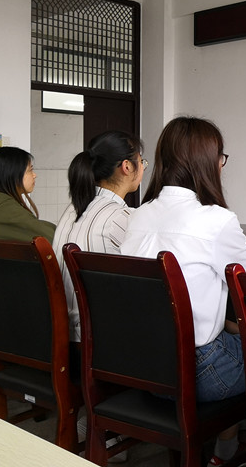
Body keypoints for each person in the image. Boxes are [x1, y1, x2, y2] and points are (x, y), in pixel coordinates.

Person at [121, 116, 246, 467]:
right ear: (208, 162)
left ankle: (225, 447)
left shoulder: (137, 216)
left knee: (230, 331)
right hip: (199, 374)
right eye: (220, 158)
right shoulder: (216, 219)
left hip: (144, 368)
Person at [53, 131, 146, 342]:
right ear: (127, 167)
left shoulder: (72, 209)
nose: (143, 168)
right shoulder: (121, 218)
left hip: (64, 334)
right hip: (99, 339)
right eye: (142, 162)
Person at [0, 147, 55, 328]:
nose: (35, 175)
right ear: (11, 174)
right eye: (30, 170)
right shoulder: (5, 209)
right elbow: (54, 238)